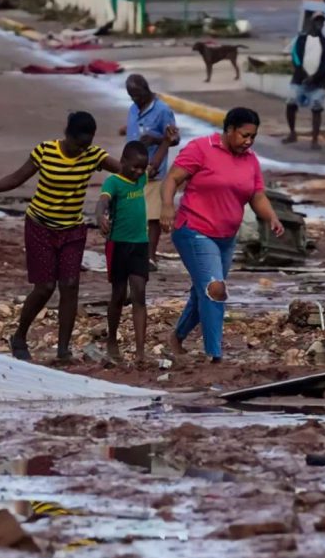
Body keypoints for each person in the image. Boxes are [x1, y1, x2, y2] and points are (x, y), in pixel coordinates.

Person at [0, 112, 120, 363]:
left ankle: (63, 349)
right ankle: (20, 336)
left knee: (70, 286)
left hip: (72, 230)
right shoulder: (45, 151)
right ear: (67, 135)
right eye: (79, 144)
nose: (82, 149)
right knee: (45, 287)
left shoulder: (93, 155)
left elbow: (125, 170)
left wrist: (144, 164)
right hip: (40, 227)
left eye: (87, 144)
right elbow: (17, 178)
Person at [160, 108, 285, 363]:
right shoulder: (201, 148)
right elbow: (172, 178)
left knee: (204, 291)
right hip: (194, 229)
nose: (248, 141)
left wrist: (271, 216)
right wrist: (166, 206)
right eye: (244, 135)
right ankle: (214, 355)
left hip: (226, 237)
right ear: (229, 130)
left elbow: (256, 195)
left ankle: (177, 337)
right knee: (215, 289)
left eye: (253, 137)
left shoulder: (250, 160)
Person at [96, 141, 149, 362]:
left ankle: (140, 352)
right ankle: (112, 341)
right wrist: (100, 216)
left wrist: (165, 142)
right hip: (117, 245)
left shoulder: (142, 179)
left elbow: (154, 164)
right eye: (134, 167)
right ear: (123, 162)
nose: (138, 172)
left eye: (142, 168)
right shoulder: (114, 182)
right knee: (118, 294)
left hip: (140, 244)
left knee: (139, 293)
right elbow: (103, 201)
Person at [119, 74, 179, 270]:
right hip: (131, 170)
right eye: (131, 96)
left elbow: (174, 138)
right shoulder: (133, 109)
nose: (135, 99)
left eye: (138, 95)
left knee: (152, 216)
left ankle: (150, 256)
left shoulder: (162, 110)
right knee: (134, 213)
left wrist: (155, 139)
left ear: (146, 89)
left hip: (154, 169)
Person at [284, 12, 325, 149]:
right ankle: (292, 133)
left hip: (318, 83)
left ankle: (314, 140)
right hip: (299, 80)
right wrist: (303, 74)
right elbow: (295, 57)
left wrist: (314, 77)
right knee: (290, 104)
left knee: (317, 109)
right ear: (311, 23)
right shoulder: (300, 39)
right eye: (317, 21)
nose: (319, 24)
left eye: (321, 22)